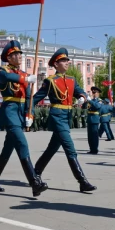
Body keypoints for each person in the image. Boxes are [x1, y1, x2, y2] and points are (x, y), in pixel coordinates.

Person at [0, 40, 47, 197]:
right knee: (22, 144)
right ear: (8, 57)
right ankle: (34, 182)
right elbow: (7, 77)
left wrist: (30, 114)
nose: (19, 56)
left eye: (20, 53)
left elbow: (29, 98)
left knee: (7, 150)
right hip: (9, 111)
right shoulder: (2, 70)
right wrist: (25, 79)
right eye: (15, 54)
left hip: (20, 113)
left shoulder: (24, 74)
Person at [32, 48, 96, 192]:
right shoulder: (50, 81)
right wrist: (27, 112)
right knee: (70, 149)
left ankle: (35, 173)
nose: (67, 62)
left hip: (67, 116)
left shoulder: (72, 80)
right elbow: (36, 98)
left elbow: (80, 91)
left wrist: (82, 97)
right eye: (63, 60)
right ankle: (82, 181)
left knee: (51, 149)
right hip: (57, 116)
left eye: (67, 60)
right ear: (56, 64)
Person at [86, 87, 103, 154]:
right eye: (92, 92)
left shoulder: (99, 100)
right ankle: (91, 149)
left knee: (94, 135)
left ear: (98, 93)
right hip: (89, 119)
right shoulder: (91, 100)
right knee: (89, 135)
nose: (93, 93)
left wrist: (90, 101)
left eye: (94, 92)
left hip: (95, 119)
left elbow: (97, 106)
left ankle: (95, 149)